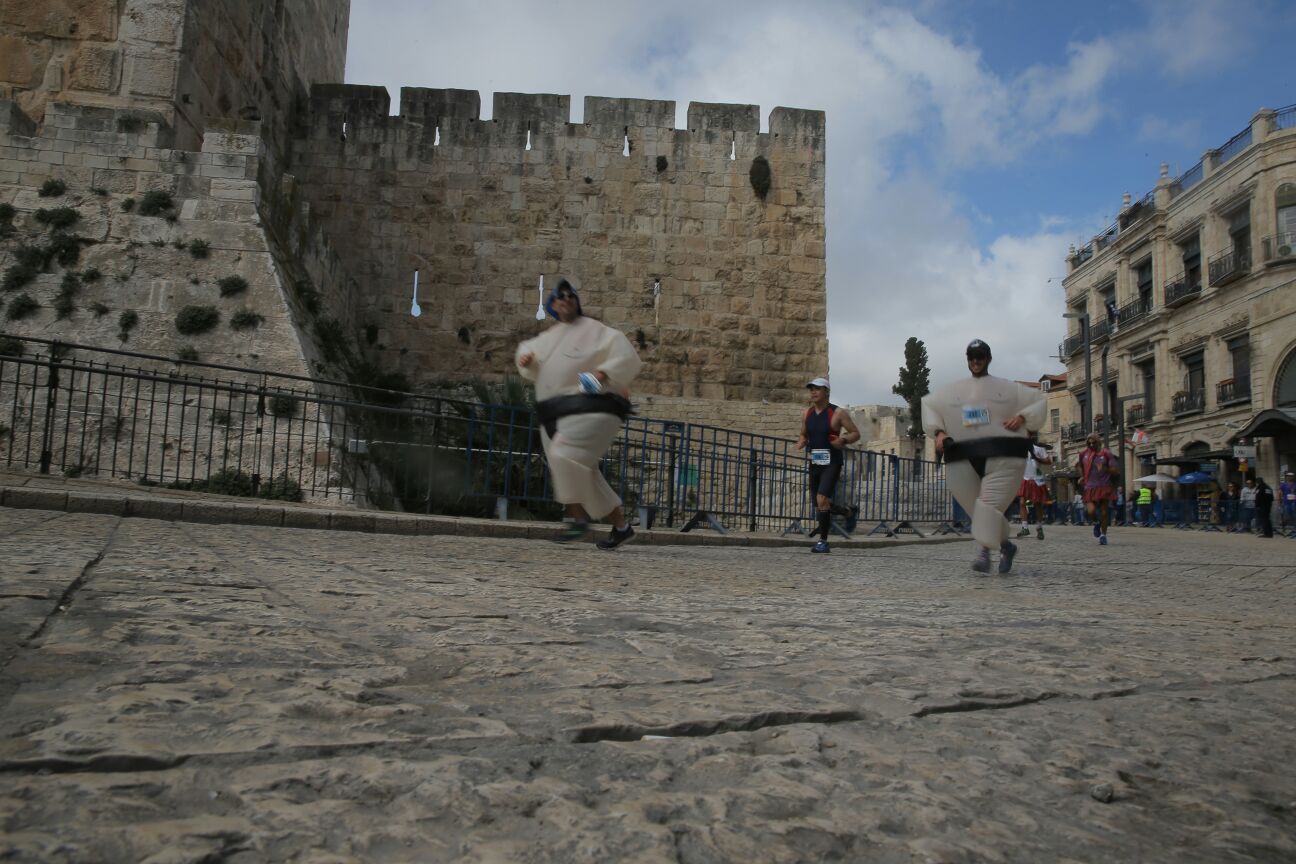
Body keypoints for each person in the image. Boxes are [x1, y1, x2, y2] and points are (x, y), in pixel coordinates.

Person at [515, 277, 642, 549]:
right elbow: (532, 359)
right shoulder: (549, 338)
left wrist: (605, 374)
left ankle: (577, 521)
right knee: (585, 471)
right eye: (560, 298)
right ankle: (622, 527)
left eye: (570, 297)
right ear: (553, 305)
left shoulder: (595, 330)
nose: (566, 301)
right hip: (554, 414)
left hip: (588, 409)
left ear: (576, 301)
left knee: (564, 455)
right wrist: (526, 360)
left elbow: (622, 353)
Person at [923, 339, 1045, 574]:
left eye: (980, 357)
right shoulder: (954, 392)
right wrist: (938, 432)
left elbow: (1038, 401)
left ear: (988, 359)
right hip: (964, 456)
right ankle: (1006, 546)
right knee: (977, 510)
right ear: (967, 360)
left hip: (1002, 455)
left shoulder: (1009, 389)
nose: (975, 361)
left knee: (987, 506)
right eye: (971, 357)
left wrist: (1021, 417)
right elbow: (931, 408)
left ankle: (984, 552)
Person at [795, 377, 861, 553]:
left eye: (817, 389)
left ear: (826, 392)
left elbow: (855, 433)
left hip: (832, 461)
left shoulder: (838, 413)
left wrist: (844, 439)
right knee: (819, 503)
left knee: (822, 499)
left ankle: (823, 542)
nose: (813, 392)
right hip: (816, 461)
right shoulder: (806, 414)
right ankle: (848, 512)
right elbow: (803, 433)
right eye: (811, 389)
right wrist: (801, 441)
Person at [1078, 434, 1118, 545]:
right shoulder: (1083, 454)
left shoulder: (1106, 453)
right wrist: (1082, 476)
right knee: (1091, 511)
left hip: (1103, 486)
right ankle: (1096, 523)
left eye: (1093, 443)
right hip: (1090, 487)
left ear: (1098, 442)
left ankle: (1103, 535)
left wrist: (1105, 468)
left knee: (1104, 513)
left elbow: (1115, 470)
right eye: (1089, 443)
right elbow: (1080, 466)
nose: (1091, 445)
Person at [1016, 434, 1051, 540]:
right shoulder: (1020, 448)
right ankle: (1025, 527)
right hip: (1025, 477)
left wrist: (1037, 458)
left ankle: (1039, 528)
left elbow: (1049, 461)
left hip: (1037, 478)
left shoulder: (1039, 448)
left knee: (1037, 504)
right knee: (1022, 502)